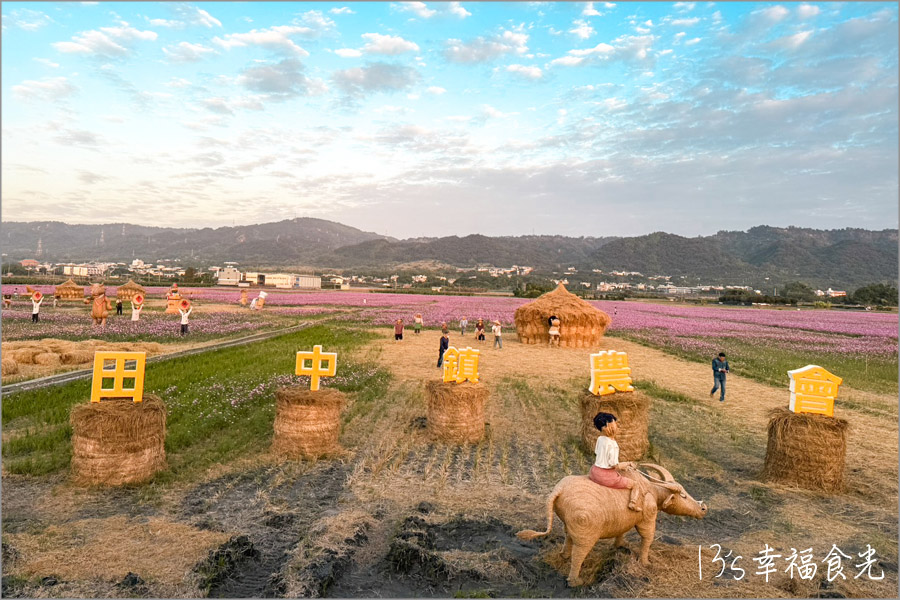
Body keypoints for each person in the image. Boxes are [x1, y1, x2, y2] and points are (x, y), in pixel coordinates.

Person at [589, 412, 641, 512]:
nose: (616, 427)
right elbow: (614, 465)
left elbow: (597, 452)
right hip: (605, 476)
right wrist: (628, 463)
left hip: (594, 471)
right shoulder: (612, 444)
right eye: (614, 425)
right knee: (635, 485)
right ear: (609, 428)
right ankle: (633, 503)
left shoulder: (600, 439)